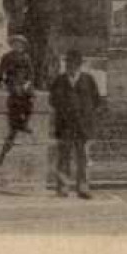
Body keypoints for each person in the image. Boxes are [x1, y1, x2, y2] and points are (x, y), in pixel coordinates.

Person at [49, 48, 102, 199]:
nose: (71, 66)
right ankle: (63, 187)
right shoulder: (59, 80)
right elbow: (53, 100)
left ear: (79, 65)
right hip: (65, 126)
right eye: (68, 63)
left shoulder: (88, 79)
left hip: (83, 126)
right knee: (64, 156)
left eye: (74, 64)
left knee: (83, 157)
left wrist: (86, 115)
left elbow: (96, 101)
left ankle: (83, 187)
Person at [0, 34, 36, 164]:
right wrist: (1, 82)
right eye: (15, 44)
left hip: (24, 81)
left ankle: (25, 122)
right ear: (12, 45)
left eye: (20, 44)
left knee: (30, 97)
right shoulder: (7, 57)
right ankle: (18, 122)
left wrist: (28, 83)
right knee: (17, 95)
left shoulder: (26, 57)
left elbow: (31, 74)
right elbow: (0, 72)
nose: (18, 46)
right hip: (12, 81)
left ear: (23, 46)